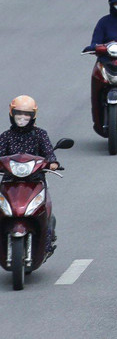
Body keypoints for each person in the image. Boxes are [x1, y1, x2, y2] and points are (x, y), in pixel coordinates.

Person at [0, 96, 60, 256]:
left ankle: (46, 242)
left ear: (33, 116)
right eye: (18, 113)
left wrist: (52, 163)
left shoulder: (40, 135)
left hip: (35, 182)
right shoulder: (6, 136)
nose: (22, 117)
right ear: (12, 114)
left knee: (43, 211)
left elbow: (49, 154)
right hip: (9, 183)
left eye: (26, 114)